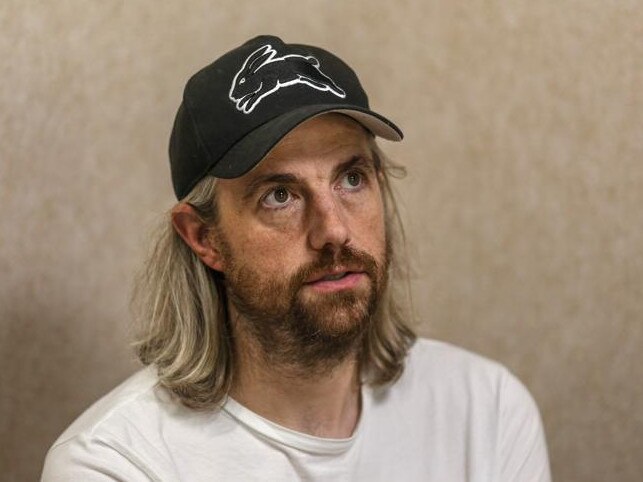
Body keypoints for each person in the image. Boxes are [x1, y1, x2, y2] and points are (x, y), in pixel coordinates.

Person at [42, 35, 551, 481]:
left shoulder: (487, 411)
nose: (333, 229)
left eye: (352, 178)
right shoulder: (116, 465)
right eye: (279, 195)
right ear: (203, 237)